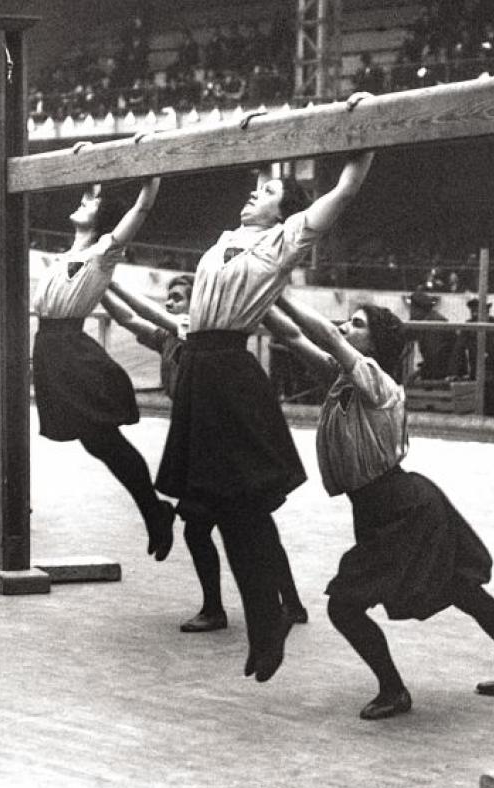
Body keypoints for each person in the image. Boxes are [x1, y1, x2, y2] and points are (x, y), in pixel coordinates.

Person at [156, 148, 374, 683]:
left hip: (228, 373)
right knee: (221, 513)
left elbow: (343, 192)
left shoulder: (281, 243)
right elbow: (262, 164)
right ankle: (265, 625)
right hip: (201, 373)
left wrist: (363, 145)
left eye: (270, 192)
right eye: (259, 188)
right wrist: (261, 146)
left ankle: (267, 626)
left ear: (284, 213)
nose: (256, 193)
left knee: (241, 513)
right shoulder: (228, 239)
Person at [273, 294, 494, 721]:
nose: (344, 328)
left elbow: (320, 332)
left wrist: (280, 286)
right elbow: (289, 333)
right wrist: (257, 291)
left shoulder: (374, 377)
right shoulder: (341, 377)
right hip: (388, 508)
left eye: (356, 325)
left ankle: (394, 691)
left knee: (344, 604)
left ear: (375, 345)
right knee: (463, 591)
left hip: (404, 507)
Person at [101, 275, 308, 633]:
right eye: (169, 298)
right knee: (203, 529)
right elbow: (129, 319)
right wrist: (98, 287)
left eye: (178, 298)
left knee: (248, 525)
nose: (170, 304)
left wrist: (103, 278)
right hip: (198, 441)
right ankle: (233, 606)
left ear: (198, 306)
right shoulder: (170, 340)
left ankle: (284, 603)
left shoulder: (195, 330)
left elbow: (141, 309)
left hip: (225, 441)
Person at [32, 179, 176, 560]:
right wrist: (92, 169)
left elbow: (140, 211)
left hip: (69, 350)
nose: (82, 200)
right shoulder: (67, 255)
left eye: (92, 199)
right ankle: (155, 510)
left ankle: (153, 511)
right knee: (97, 443)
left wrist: (152, 179)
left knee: (105, 441)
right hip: (50, 351)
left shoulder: (104, 251)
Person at [403, 287, 457, 381]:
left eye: (412, 309)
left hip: (443, 374)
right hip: (441, 371)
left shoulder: (433, 325)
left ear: (419, 309)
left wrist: (419, 373)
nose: (410, 313)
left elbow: (435, 358)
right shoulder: (430, 320)